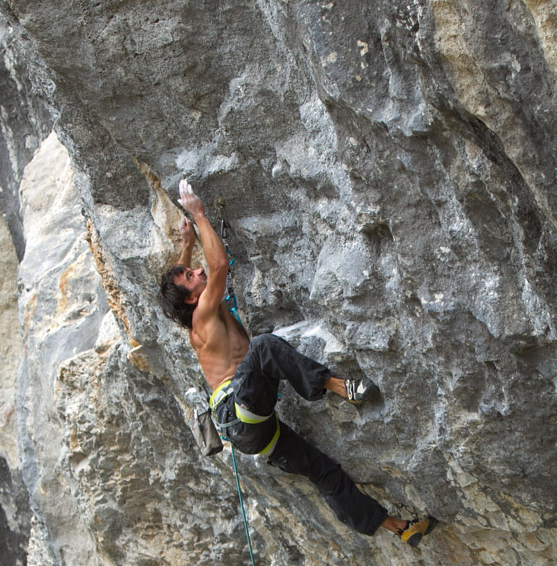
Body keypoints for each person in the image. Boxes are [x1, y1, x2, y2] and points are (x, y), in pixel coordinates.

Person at [160, 179, 436, 546]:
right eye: (192, 276)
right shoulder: (204, 313)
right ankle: (339, 387)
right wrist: (198, 214)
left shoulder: (193, 313)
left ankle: (400, 528)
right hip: (238, 408)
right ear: (193, 299)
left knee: (323, 471)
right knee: (263, 348)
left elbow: (182, 285)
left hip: (250, 431)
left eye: (194, 270)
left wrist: (187, 242)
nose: (197, 271)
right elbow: (220, 263)